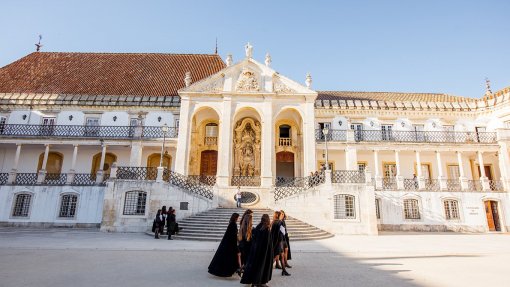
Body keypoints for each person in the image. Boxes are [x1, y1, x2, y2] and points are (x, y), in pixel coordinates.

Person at [240, 214, 273, 286]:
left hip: (256, 251)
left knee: (256, 267)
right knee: (262, 267)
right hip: (263, 253)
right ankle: (260, 282)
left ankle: (255, 281)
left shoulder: (259, 227)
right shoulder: (266, 229)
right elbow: (267, 244)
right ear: (268, 220)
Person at [208, 213, 242, 277]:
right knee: (229, 258)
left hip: (228, 243)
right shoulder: (233, 224)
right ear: (236, 218)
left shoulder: (231, 223)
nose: (239, 218)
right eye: (238, 217)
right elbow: (233, 236)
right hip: (231, 244)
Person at [271, 211, 290, 276]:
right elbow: (283, 232)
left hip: (275, 241)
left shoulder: (273, 222)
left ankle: (284, 270)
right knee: (276, 257)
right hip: (280, 241)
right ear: (278, 215)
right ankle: (266, 270)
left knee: (280, 256)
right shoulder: (280, 222)